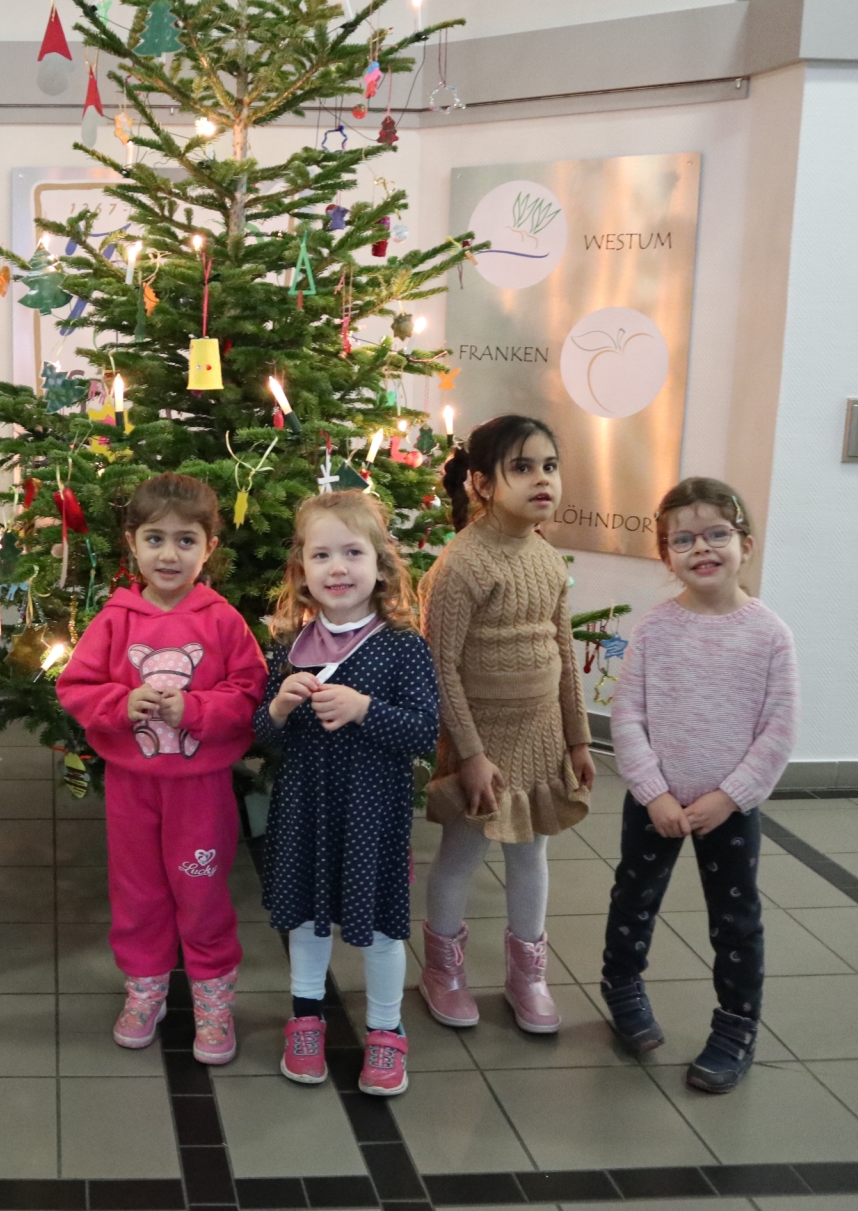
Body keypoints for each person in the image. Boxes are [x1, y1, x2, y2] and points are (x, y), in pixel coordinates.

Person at [57, 474, 266, 1065]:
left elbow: (249, 692)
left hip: (200, 793)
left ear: (209, 549)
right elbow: (75, 686)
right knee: (138, 893)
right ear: (132, 543)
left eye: (185, 541)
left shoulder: (222, 621)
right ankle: (145, 988)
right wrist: (119, 705)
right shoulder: (116, 618)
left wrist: (197, 708)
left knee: (201, 895)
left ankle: (212, 998)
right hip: (131, 789)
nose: (169, 554)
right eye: (155, 539)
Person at [600, 477, 798, 1093]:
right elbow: (625, 715)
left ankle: (737, 1023)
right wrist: (653, 791)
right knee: (634, 898)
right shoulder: (656, 631)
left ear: (746, 544)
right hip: (653, 802)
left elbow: (778, 730)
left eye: (717, 534)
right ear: (666, 555)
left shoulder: (769, 634)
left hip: (728, 810)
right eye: (683, 539)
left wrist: (729, 796)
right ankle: (623, 984)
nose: (701, 548)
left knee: (735, 919)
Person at [253, 492, 438, 1097]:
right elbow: (261, 736)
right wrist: (278, 707)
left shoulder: (401, 646)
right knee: (306, 920)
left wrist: (364, 710)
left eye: (353, 553)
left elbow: (424, 731)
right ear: (301, 571)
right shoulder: (289, 649)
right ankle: (305, 1019)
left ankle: (386, 1030)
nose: (338, 568)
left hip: (372, 814)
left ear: (381, 565)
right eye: (322, 554)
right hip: (305, 810)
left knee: (382, 927)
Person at [416, 415, 596, 1035]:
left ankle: (528, 975)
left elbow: (563, 653)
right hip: (482, 742)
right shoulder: (461, 565)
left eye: (549, 466)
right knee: (462, 854)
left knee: (531, 854)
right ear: (482, 483)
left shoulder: (547, 558)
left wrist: (577, 738)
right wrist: (469, 754)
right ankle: (441, 968)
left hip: (542, 735)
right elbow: (440, 668)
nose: (541, 479)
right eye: (521, 468)